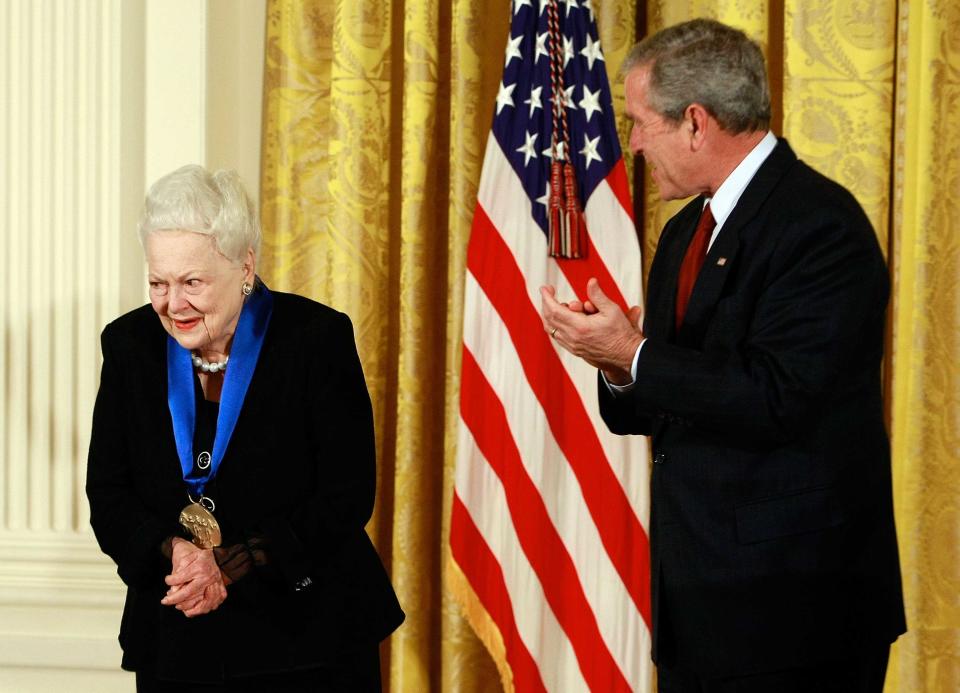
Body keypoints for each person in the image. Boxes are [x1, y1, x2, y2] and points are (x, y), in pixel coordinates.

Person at [540, 19, 905, 693]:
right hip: (700, 603)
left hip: (795, 613)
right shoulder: (684, 233)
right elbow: (667, 406)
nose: (637, 147)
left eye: (642, 124)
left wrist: (637, 351)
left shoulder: (821, 226)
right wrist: (620, 365)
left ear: (697, 123)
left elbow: (778, 396)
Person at [86, 165, 404, 692]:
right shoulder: (128, 345)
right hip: (177, 637)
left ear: (245, 267)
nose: (173, 303)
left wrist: (231, 565)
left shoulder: (315, 339)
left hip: (307, 636)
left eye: (193, 282)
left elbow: (347, 496)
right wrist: (178, 553)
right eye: (158, 282)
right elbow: (108, 493)